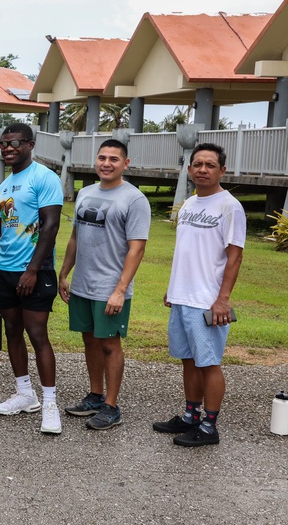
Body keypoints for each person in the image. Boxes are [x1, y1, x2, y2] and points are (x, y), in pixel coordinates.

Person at [152, 143, 245, 447]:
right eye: (198, 164)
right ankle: (192, 416)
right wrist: (173, 287)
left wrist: (223, 299)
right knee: (189, 360)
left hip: (208, 301)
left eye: (210, 165)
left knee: (209, 363)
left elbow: (234, 257)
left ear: (222, 170)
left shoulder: (229, 206)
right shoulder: (190, 204)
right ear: (190, 169)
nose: (203, 170)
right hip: (183, 296)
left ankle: (209, 426)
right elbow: (187, 251)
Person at [58, 139, 150, 430]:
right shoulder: (85, 193)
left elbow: (137, 248)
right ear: (95, 161)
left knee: (110, 344)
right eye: (102, 158)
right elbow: (75, 237)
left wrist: (120, 290)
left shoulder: (134, 199)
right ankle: (95, 396)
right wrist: (64, 273)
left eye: (113, 158)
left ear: (126, 163)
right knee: (89, 339)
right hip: (83, 284)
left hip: (111, 288)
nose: (106, 163)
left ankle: (111, 406)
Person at [0, 123, 64, 434]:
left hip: (35, 270)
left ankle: (49, 403)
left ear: (31, 144)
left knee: (37, 334)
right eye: (3, 143)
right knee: (12, 331)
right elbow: (1, 230)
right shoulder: (5, 185)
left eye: (15, 142)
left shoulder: (44, 177)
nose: (8, 148)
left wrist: (32, 270)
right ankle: (24, 394)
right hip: (5, 271)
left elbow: (51, 225)